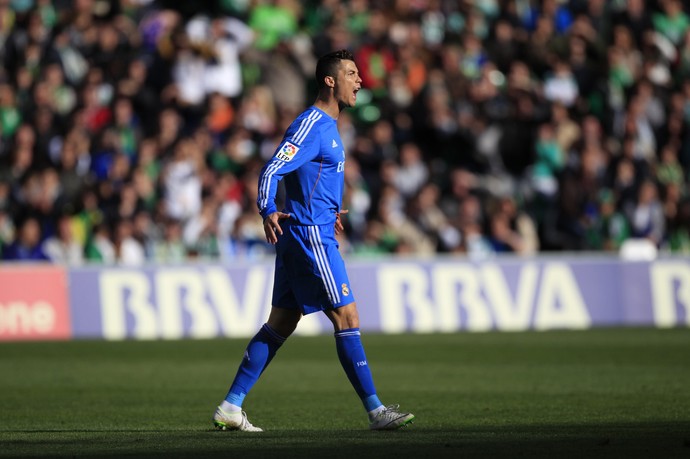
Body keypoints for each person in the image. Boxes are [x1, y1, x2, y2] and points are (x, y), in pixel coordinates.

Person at [212, 49, 415, 432]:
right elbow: (273, 168)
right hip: (309, 237)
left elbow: (308, 180)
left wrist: (328, 208)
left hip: (309, 230)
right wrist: (267, 208)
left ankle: (231, 405)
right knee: (347, 316)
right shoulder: (312, 124)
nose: (359, 81)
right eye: (352, 74)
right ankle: (376, 412)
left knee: (281, 324)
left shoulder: (330, 129)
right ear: (330, 80)